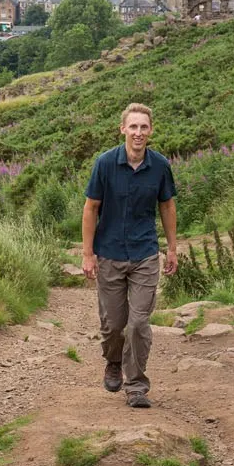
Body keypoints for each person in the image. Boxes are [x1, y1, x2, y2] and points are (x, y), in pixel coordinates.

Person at [82, 103, 178, 408]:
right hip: (109, 253)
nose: (138, 133)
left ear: (151, 131)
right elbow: (91, 208)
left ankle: (136, 385)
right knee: (113, 325)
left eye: (144, 127)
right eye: (133, 127)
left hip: (145, 254)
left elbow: (167, 206)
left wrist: (172, 248)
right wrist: (88, 254)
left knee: (138, 323)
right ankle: (113, 361)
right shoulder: (106, 163)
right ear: (122, 129)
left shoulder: (160, 166)